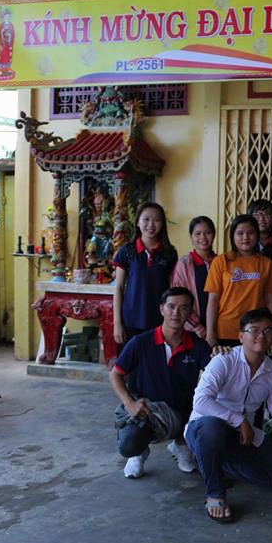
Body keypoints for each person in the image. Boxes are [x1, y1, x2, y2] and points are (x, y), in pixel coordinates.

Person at [185, 309, 272, 523]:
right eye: (254, 330)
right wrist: (239, 420)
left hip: (243, 435)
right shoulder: (224, 360)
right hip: (204, 428)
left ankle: (213, 463)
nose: (261, 336)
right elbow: (200, 401)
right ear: (241, 336)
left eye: (267, 330)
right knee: (213, 428)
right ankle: (215, 494)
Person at [109, 287, 212, 479]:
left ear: (190, 313)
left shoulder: (198, 345)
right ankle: (139, 453)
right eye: (171, 306)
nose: (176, 313)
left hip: (183, 411)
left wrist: (222, 354)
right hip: (147, 410)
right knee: (129, 444)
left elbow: (215, 373)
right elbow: (115, 374)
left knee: (209, 420)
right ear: (161, 309)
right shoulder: (140, 342)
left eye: (183, 308)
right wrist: (129, 403)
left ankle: (181, 444)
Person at [205, 214, 272, 348]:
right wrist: (210, 333)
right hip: (226, 330)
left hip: (256, 331)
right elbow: (213, 301)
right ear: (233, 236)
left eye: (250, 233)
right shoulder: (220, 261)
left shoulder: (266, 264)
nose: (245, 237)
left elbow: (270, 301)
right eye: (240, 233)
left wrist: (271, 333)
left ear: (257, 235)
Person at [112, 202, 178, 347]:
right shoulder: (127, 251)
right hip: (130, 321)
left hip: (160, 321)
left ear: (162, 224)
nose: (151, 225)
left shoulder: (169, 253)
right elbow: (119, 288)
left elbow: (172, 288)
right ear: (137, 222)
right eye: (146, 219)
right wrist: (117, 323)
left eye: (157, 220)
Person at [171, 216, 216, 341]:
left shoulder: (221, 262)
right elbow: (179, 297)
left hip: (219, 328)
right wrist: (197, 326)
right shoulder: (184, 264)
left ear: (214, 235)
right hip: (193, 330)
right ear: (191, 237)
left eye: (208, 233)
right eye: (198, 234)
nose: (203, 237)